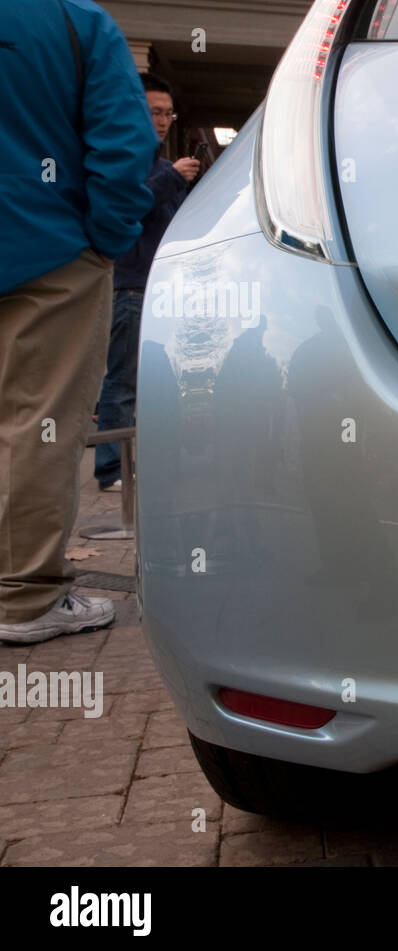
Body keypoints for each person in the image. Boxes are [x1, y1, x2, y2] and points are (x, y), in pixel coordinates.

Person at [0, 0, 157, 644]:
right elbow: (124, 140)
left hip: (47, 240)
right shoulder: (74, 21)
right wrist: (104, 239)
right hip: (47, 251)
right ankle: (24, 597)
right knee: (38, 424)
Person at [94, 73, 198, 492]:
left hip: (161, 291)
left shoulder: (159, 167)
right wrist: (173, 177)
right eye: (154, 111)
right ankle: (111, 470)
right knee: (121, 382)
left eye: (168, 113)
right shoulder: (123, 161)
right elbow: (126, 207)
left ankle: (138, 465)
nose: (162, 120)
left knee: (152, 383)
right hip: (131, 288)